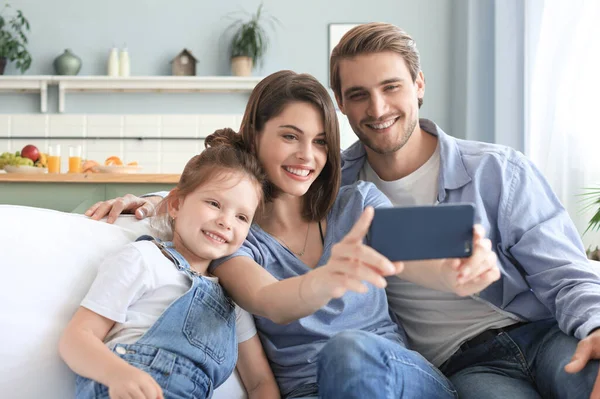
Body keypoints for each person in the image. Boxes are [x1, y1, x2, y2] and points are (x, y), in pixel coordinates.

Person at [83, 70, 500, 398]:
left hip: (399, 381)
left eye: (320, 142)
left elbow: (419, 260)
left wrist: (461, 270)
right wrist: (327, 277)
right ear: (254, 136)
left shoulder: (357, 205)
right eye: (289, 136)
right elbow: (270, 301)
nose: (307, 156)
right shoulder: (236, 238)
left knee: (349, 350)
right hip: (306, 391)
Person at [329, 22, 600, 398]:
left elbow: (564, 271)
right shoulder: (334, 193)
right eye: (358, 94)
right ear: (340, 103)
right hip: (467, 366)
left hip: (543, 333)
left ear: (418, 84)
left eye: (391, 87)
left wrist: (596, 326)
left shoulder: (498, 169)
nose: (377, 108)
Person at [59, 132, 280, 399]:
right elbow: (76, 338)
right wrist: (118, 374)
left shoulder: (233, 302)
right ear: (175, 204)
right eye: (214, 203)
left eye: (242, 217)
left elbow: (260, 383)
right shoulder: (143, 259)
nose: (226, 221)